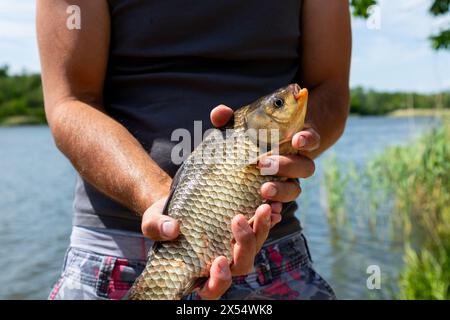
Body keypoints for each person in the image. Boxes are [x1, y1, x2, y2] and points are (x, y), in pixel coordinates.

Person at [37, 0, 351, 300]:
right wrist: (163, 203)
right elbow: (70, 101)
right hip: (112, 252)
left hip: (273, 247)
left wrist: (303, 139)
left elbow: (331, 88)